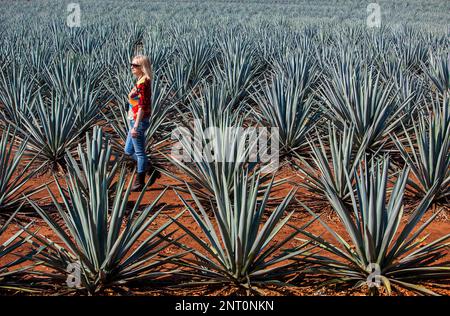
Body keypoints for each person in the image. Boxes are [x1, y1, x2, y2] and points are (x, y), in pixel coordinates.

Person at [124, 55, 153, 191]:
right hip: (134, 120)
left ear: (142, 67)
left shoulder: (143, 83)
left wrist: (136, 126)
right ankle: (149, 167)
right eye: (132, 64)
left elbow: (142, 106)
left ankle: (139, 182)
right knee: (128, 150)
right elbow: (132, 98)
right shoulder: (140, 81)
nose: (132, 67)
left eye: (135, 65)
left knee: (140, 153)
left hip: (138, 122)